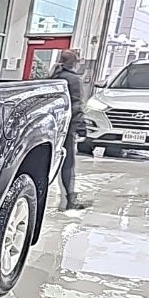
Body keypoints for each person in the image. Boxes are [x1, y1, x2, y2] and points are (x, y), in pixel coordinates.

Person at [52, 49, 89, 211]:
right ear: (74, 63)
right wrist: (81, 128)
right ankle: (70, 201)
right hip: (67, 127)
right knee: (68, 164)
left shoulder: (53, 78)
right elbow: (77, 105)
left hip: (52, 126)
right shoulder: (74, 80)